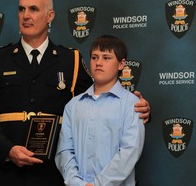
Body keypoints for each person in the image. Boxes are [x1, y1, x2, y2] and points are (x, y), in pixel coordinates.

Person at [0, 0, 150, 186]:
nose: (26, 16)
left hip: (51, 174)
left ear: (50, 16)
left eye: (33, 9)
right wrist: (7, 150)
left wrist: (139, 110)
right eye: (21, 9)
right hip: (6, 173)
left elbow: (97, 100)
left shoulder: (70, 60)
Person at [55, 35, 145, 186]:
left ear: (121, 64)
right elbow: (64, 152)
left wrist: (99, 184)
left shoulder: (131, 104)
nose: (99, 63)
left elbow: (130, 152)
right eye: (94, 57)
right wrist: (77, 183)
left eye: (106, 58)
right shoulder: (73, 105)